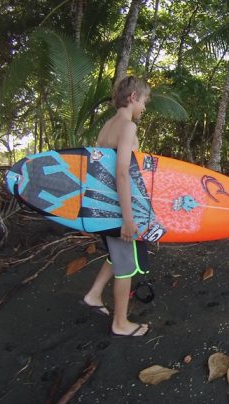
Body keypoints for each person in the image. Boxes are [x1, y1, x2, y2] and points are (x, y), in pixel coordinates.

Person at [81, 76, 151, 337]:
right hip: (121, 209)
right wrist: (129, 218)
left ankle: (94, 295)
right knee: (127, 266)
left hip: (104, 207)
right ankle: (120, 323)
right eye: (144, 101)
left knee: (116, 254)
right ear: (133, 97)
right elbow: (122, 173)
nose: (144, 107)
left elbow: (101, 172)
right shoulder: (127, 127)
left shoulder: (106, 127)